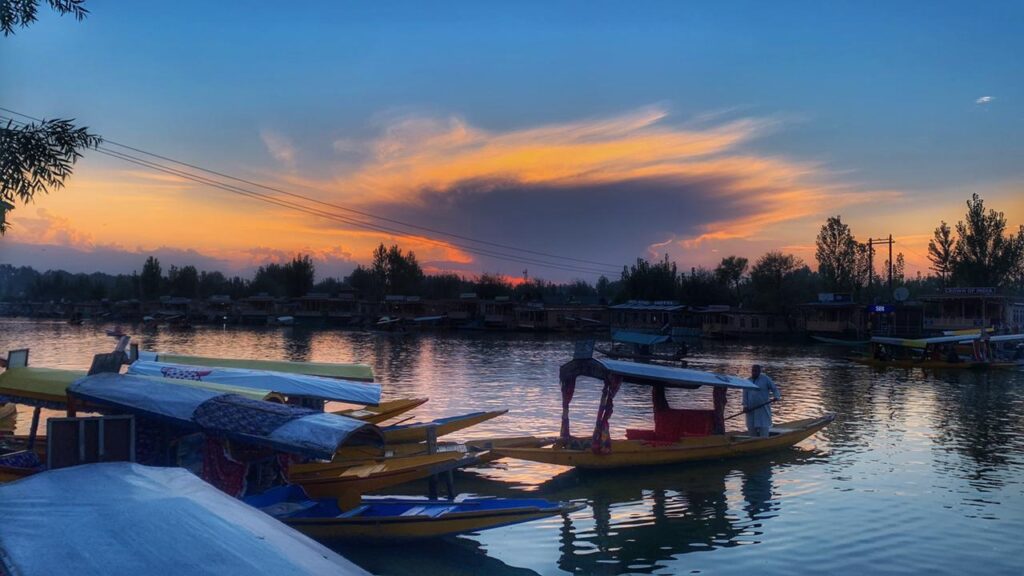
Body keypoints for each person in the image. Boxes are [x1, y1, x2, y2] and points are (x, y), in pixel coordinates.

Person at [744, 364, 781, 438]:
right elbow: (745, 395)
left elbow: (774, 389)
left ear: (759, 371)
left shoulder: (766, 379)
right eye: (753, 371)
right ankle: (752, 442)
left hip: (762, 409)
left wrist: (776, 397)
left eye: (755, 371)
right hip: (750, 409)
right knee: (751, 429)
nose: (754, 372)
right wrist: (745, 406)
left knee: (763, 427)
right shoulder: (748, 381)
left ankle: (764, 441)